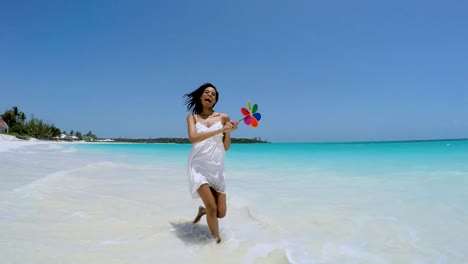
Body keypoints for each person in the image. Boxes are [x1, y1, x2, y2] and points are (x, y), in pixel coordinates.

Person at [184, 82, 238, 243]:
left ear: (215, 100)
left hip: (216, 167)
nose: (210, 95)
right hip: (198, 166)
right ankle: (217, 242)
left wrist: (227, 133)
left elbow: (226, 147)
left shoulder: (223, 117)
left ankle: (202, 211)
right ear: (201, 97)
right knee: (212, 208)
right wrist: (220, 130)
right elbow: (194, 138)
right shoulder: (192, 118)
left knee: (221, 213)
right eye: (207, 92)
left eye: (213, 94)